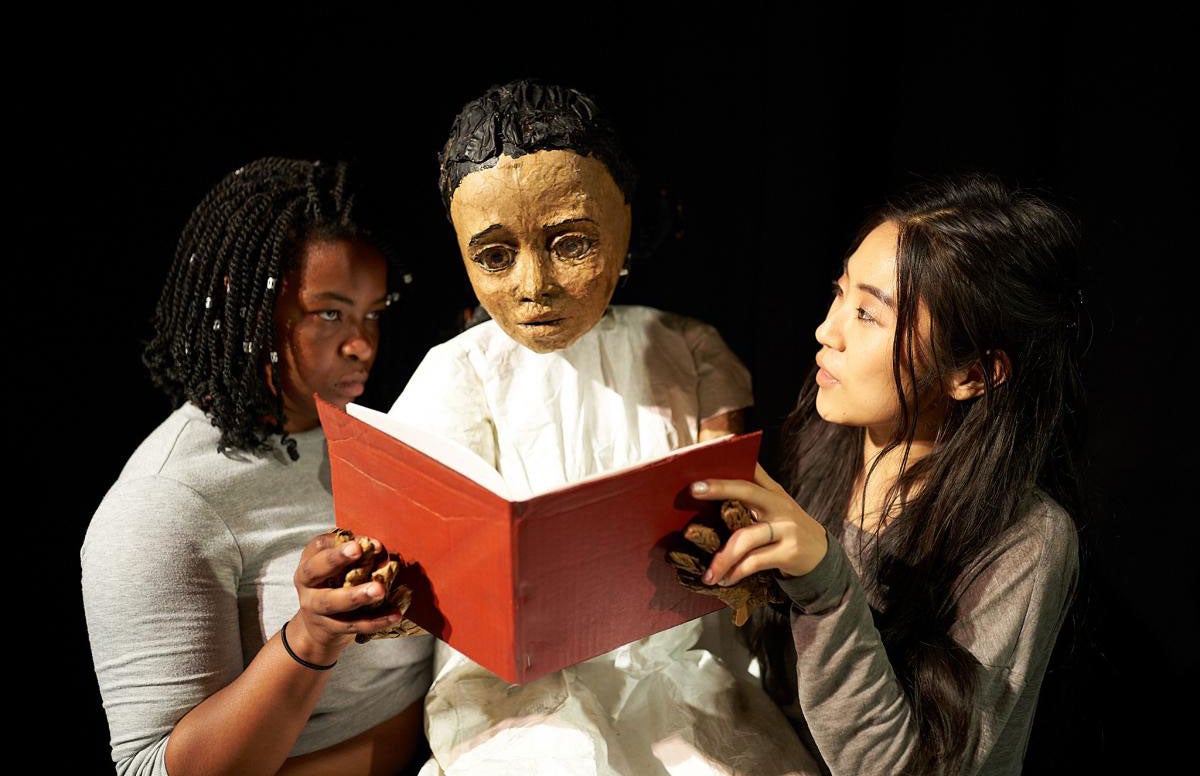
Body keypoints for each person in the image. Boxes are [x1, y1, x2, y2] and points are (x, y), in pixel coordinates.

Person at [388, 80, 816, 774]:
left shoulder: (689, 350)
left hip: (682, 672)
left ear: (622, 226)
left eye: (570, 243)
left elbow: (730, 497)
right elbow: (424, 550)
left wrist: (733, 553)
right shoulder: (457, 373)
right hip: (512, 688)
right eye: (494, 256)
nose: (534, 286)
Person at [688, 174, 1085, 775]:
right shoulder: (825, 444)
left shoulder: (1027, 541)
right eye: (839, 293)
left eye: (869, 314)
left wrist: (825, 586)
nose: (827, 331)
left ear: (973, 374)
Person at [81, 157, 433, 776]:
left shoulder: (364, 435)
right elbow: (147, 768)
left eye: (372, 313)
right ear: (244, 305)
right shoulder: (163, 502)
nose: (362, 344)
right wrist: (309, 638)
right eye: (330, 312)